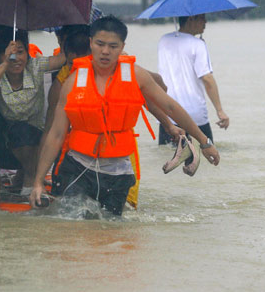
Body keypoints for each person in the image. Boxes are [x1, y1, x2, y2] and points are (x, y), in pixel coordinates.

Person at [30, 16, 220, 214]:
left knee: (113, 233)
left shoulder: (136, 76)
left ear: (122, 47)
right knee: (73, 229)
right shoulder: (72, 82)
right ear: (91, 43)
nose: (105, 51)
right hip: (78, 168)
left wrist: (204, 142)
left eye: (113, 46)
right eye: (100, 44)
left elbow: (171, 107)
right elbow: (56, 135)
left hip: (118, 172)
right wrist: (37, 182)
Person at [0, 26, 65, 195]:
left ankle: (29, 179)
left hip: (35, 141)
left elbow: (63, 58)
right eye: (10, 53)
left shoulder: (36, 66)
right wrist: (4, 64)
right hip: (3, 146)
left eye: (20, 52)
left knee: (23, 132)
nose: (16, 58)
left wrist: (62, 37)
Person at [157, 14, 229, 145]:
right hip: (194, 114)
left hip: (167, 113)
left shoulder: (164, 40)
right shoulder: (198, 44)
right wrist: (220, 110)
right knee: (207, 156)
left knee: (168, 158)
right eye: (202, 18)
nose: (205, 22)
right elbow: (207, 78)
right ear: (190, 19)